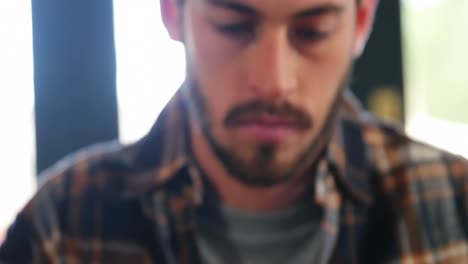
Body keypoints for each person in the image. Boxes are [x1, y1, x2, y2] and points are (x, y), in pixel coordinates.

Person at [2, 0, 468, 263]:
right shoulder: (62, 228)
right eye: (233, 27)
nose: (272, 81)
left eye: (313, 32)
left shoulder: (454, 204)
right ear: (172, 12)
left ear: (361, 21)